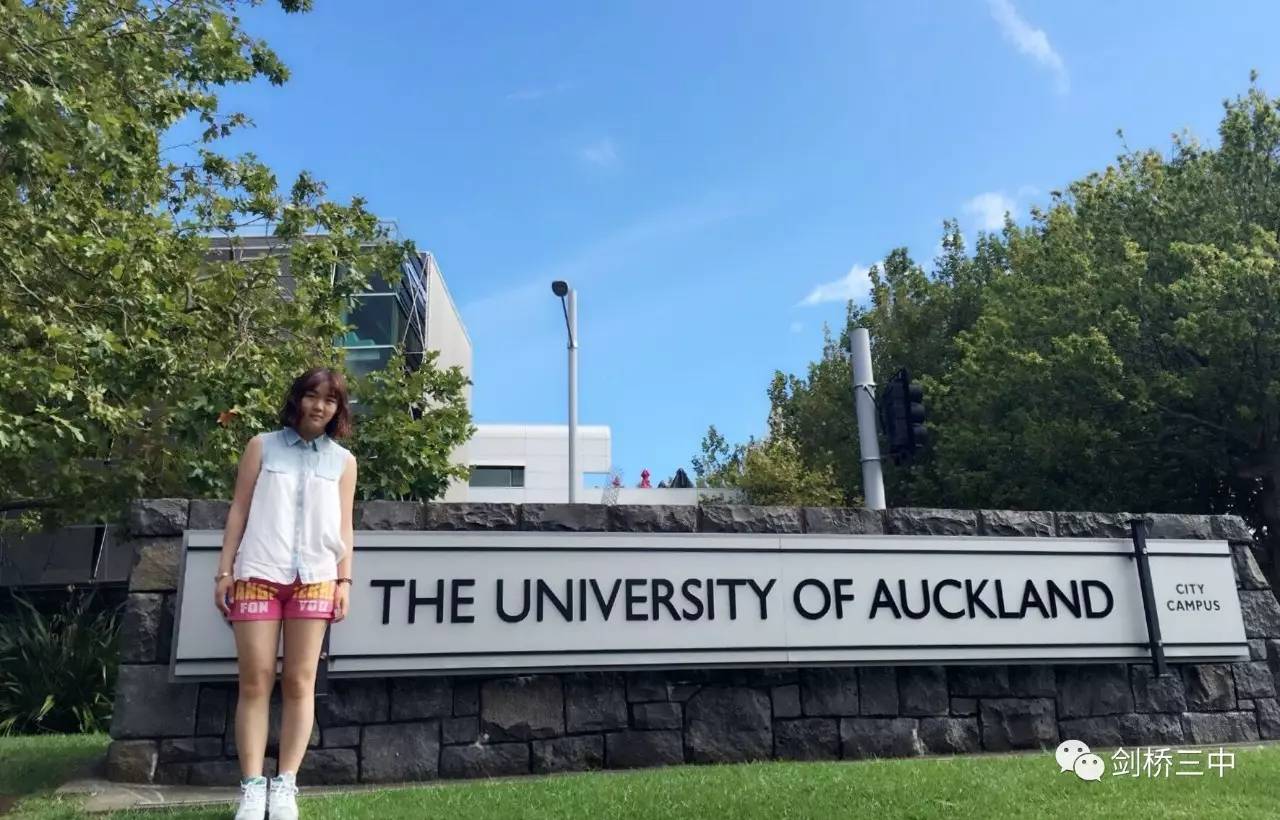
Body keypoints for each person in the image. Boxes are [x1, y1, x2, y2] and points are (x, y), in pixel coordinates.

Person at [213, 367, 357, 820]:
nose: (319, 406)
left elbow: (345, 527)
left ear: (338, 409)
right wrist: (224, 572)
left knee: (300, 683)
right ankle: (253, 789)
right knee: (255, 682)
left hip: (316, 576)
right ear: (297, 399)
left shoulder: (342, 461)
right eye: (312, 396)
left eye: (329, 400)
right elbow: (239, 510)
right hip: (258, 571)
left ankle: (287, 785)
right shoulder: (262, 445)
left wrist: (344, 581)